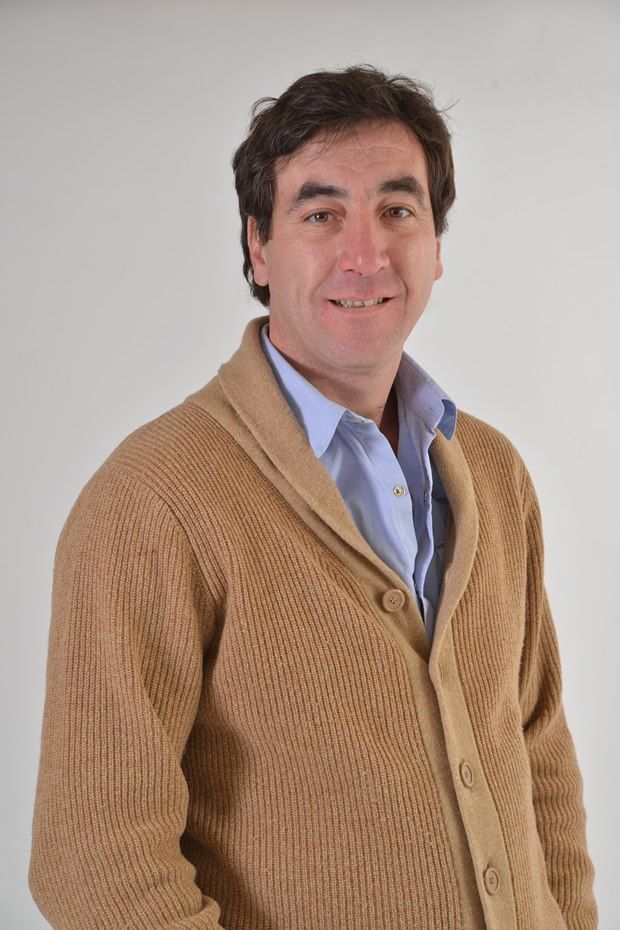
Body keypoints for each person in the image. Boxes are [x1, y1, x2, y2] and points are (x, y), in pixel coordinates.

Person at [28, 64, 598, 930]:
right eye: (321, 214)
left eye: (397, 210)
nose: (366, 255)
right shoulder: (153, 500)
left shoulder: (492, 470)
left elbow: (539, 755)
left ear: (437, 246)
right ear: (259, 248)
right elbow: (94, 862)